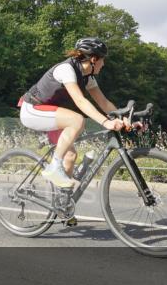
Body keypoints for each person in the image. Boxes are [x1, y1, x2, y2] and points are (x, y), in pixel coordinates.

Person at [18, 37, 126, 188]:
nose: (104, 64)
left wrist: (125, 119)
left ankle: (62, 200)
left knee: (70, 156)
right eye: (103, 60)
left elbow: (104, 102)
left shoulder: (87, 78)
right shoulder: (66, 69)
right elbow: (80, 101)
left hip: (51, 114)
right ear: (94, 59)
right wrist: (106, 122)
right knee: (76, 120)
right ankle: (54, 167)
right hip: (32, 110)